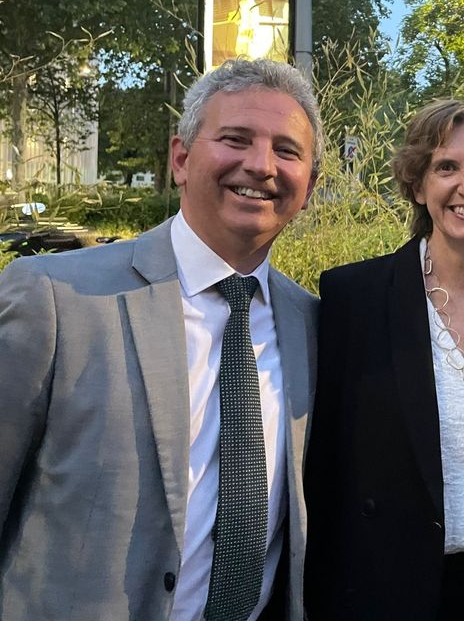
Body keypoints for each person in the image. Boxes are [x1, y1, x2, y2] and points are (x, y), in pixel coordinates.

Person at [0, 58, 321, 621]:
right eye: (235, 139)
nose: (260, 164)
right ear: (181, 158)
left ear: (310, 185)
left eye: (287, 150)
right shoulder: (54, 298)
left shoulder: (312, 325)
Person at [304, 99, 464, 621]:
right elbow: (324, 468)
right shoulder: (353, 298)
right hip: (384, 592)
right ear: (419, 186)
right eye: (447, 167)